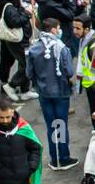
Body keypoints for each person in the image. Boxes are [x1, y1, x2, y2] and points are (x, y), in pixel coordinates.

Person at [25, 16, 79, 171]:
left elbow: (29, 73)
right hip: (61, 93)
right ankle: (63, 157)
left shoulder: (34, 48)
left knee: (51, 125)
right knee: (61, 124)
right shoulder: (61, 48)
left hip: (44, 93)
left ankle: (54, 158)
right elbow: (69, 71)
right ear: (54, 29)